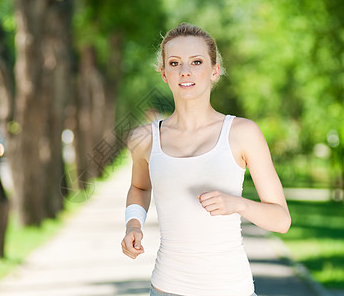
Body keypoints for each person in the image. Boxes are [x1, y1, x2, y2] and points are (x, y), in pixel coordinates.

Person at [120, 23, 291, 296]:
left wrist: (238, 204)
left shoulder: (243, 133)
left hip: (231, 288)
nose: (185, 71)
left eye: (196, 62)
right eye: (174, 63)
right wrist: (133, 224)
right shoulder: (145, 138)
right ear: (164, 73)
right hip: (166, 287)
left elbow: (281, 220)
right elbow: (140, 187)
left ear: (215, 70)